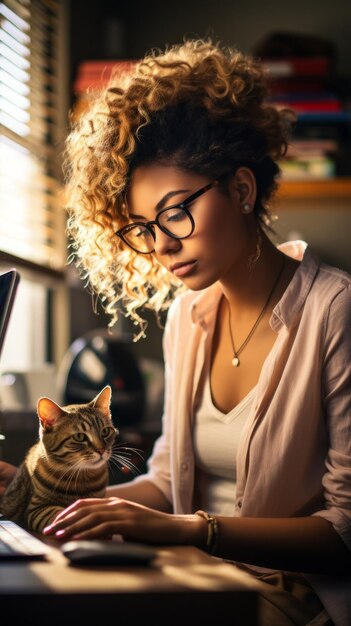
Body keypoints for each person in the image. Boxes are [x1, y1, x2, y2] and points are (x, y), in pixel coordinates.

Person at [1, 39, 350, 626]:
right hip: (190, 575)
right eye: (143, 226)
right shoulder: (189, 317)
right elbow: (167, 480)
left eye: (175, 212)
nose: (161, 244)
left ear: (242, 190)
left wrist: (189, 529)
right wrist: (47, 495)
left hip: (297, 599)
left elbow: (344, 530)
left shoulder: (334, 312)